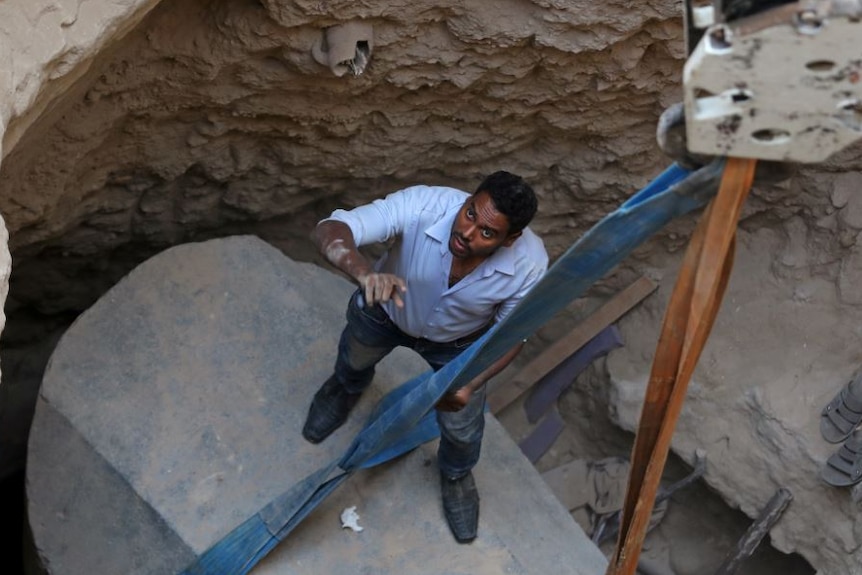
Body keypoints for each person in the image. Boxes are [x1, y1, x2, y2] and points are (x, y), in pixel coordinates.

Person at [302, 171, 548, 543]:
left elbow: (513, 335)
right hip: (386, 309)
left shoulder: (529, 264)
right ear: (467, 199)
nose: (467, 232)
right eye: (469, 214)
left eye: (486, 233)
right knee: (354, 358)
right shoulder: (425, 204)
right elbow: (331, 229)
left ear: (510, 239)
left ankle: (456, 474)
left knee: (463, 425)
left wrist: (471, 381)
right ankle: (345, 388)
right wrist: (365, 274)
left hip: (458, 343)